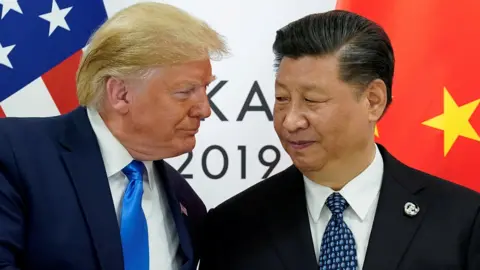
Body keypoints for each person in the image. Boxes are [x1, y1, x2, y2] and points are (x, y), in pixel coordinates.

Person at [199, 10, 480, 270]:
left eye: (312, 100)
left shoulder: (464, 220)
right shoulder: (233, 226)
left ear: (373, 101)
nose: (290, 121)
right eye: (282, 99)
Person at [0, 2, 227, 270]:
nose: (205, 109)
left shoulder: (187, 203)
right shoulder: (14, 153)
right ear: (120, 94)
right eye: (185, 91)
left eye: (204, 89)